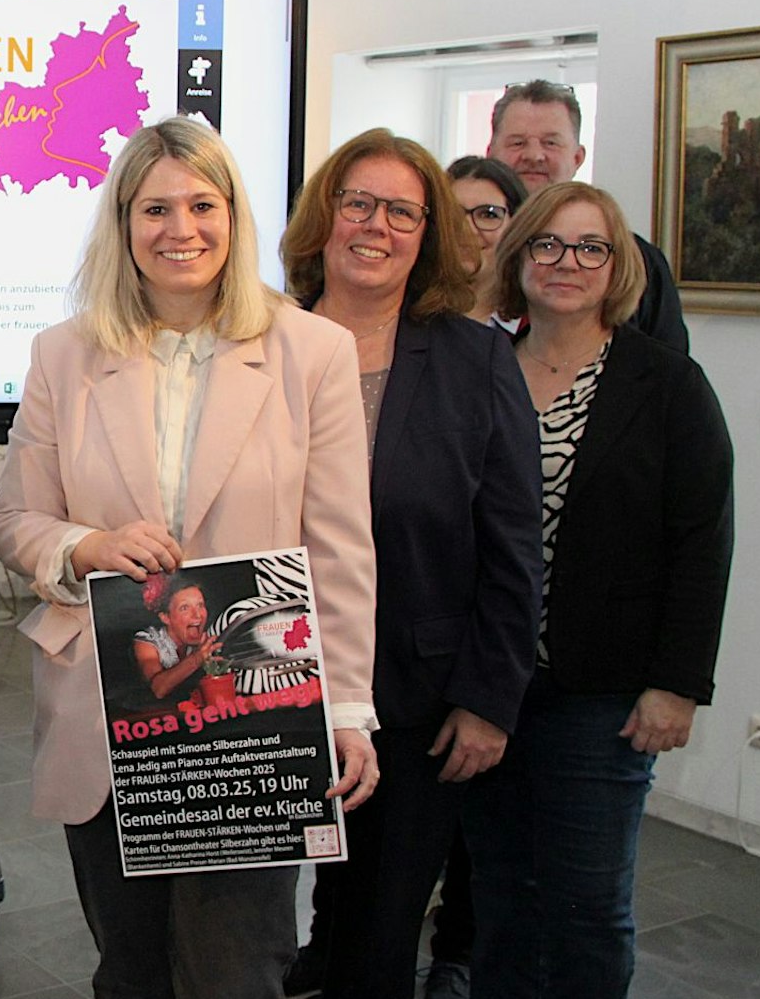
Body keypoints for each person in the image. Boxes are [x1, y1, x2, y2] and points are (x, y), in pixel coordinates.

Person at [0, 116, 379, 999]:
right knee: (130, 970)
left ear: (235, 218)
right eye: (155, 208)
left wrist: (347, 706)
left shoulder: (312, 353)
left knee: (235, 970)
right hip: (108, 713)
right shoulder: (65, 354)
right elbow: (14, 518)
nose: (181, 229)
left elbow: (340, 553)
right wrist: (86, 545)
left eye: (203, 204)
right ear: (123, 223)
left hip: (253, 721)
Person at [278, 129, 543, 999]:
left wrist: (487, 700)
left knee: (377, 934)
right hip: (257, 682)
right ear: (324, 217)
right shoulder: (257, 345)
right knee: (240, 923)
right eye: (358, 202)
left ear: (427, 234)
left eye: (402, 211)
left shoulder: (476, 361)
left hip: (414, 701)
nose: (376, 226)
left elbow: (513, 547)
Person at [465, 182, 733, 997]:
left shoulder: (668, 385)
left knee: (585, 907)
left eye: (591, 247)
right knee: (500, 899)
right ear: (519, 259)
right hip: (489, 687)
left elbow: (701, 541)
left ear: (618, 266)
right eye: (547, 244)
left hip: (602, 692)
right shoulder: (483, 371)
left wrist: (677, 684)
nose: (566, 263)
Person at [486, 80, 686, 349]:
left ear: (577, 158)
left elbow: (667, 371)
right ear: (490, 154)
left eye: (551, 143)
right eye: (518, 142)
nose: (534, 155)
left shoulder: (636, 258)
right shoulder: (459, 250)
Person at [446, 154, 528, 323]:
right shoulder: (404, 319)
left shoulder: (536, 327)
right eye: (452, 213)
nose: (467, 229)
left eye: (488, 214)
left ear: (517, 226)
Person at [129, 575, 219, 705]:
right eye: (184, 608)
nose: (197, 614)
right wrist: (196, 658)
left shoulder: (208, 637)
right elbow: (159, 689)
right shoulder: (146, 640)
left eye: (200, 605)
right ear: (165, 617)